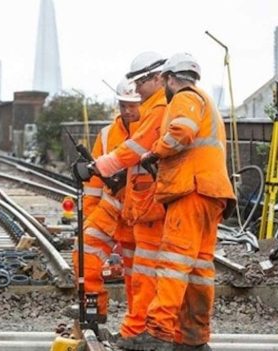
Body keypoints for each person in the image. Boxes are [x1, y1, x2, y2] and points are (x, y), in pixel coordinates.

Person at [118, 53, 236, 351]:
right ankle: (193, 338)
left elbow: (181, 132)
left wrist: (155, 153)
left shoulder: (183, 98)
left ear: (170, 78)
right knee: (198, 269)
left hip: (191, 192)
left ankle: (158, 332)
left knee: (173, 262)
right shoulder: (207, 102)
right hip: (212, 195)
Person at [93, 51, 168, 339]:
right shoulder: (156, 110)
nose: (136, 92)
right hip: (137, 207)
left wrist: (100, 166)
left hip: (150, 206)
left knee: (147, 272)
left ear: (158, 78)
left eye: (140, 84)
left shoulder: (158, 111)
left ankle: (143, 329)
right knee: (139, 272)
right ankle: (145, 328)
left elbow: (136, 150)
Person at [71, 78, 142, 322]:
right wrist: (89, 218)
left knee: (138, 274)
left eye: (133, 105)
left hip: (141, 214)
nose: (127, 111)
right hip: (111, 210)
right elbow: (93, 186)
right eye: (123, 105)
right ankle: (94, 311)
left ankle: (138, 323)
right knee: (84, 252)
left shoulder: (153, 129)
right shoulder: (106, 135)